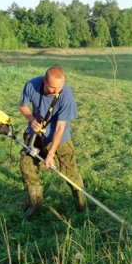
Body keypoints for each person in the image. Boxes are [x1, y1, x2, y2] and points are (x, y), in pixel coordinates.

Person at [19, 66, 86, 219]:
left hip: (59, 139)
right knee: (27, 167)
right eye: (53, 88)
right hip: (35, 136)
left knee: (70, 172)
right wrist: (31, 119)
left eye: (60, 88)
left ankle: (82, 206)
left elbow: (60, 128)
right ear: (44, 81)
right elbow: (22, 106)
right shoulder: (31, 86)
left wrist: (50, 154)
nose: (56, 92)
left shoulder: (66, 95)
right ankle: (35, 205)